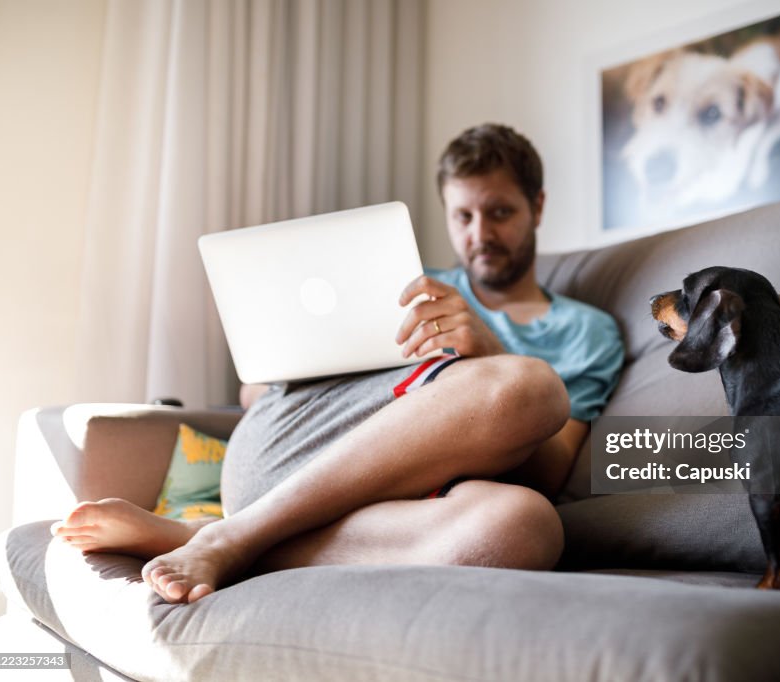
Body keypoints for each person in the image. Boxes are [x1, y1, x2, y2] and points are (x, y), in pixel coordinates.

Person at [51, 123, 624, 604]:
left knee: (528, 526)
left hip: (414, 505)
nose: (481, 235)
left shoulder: (588, 331)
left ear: (537, 207)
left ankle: (208, 535)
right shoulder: (405, 288)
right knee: (531, 383)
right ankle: (230, 534)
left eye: (499, 212)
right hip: (290, 450)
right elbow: (257, 396)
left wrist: (489, 356)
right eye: (463, 216)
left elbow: (552, 473)